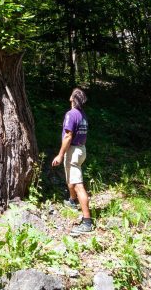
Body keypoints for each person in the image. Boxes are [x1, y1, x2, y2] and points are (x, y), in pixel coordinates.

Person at [51, 87, 93, 234]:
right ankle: (71, 201)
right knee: (71, 179)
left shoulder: (71, 114)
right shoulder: (83, 115)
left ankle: (87, 222)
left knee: (78, 185)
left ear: (71, 99)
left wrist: (60, 154)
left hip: (73, 151)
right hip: (81, 149)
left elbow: (68, 136)